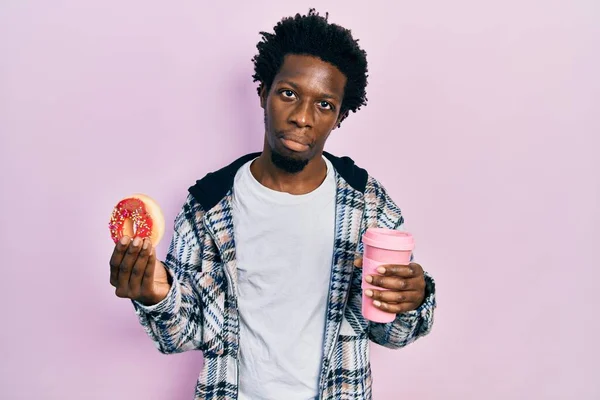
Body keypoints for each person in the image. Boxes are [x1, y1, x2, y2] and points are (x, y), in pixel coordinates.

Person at [109, 9, 436, 400]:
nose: (302, 117)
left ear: (341, 117)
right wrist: (156, 294)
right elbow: (183, 334)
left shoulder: (367, 205)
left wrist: (411, 301)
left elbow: (393, 334)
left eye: (324, 105)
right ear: (263, 92)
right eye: (289, 94)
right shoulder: (209, 205)